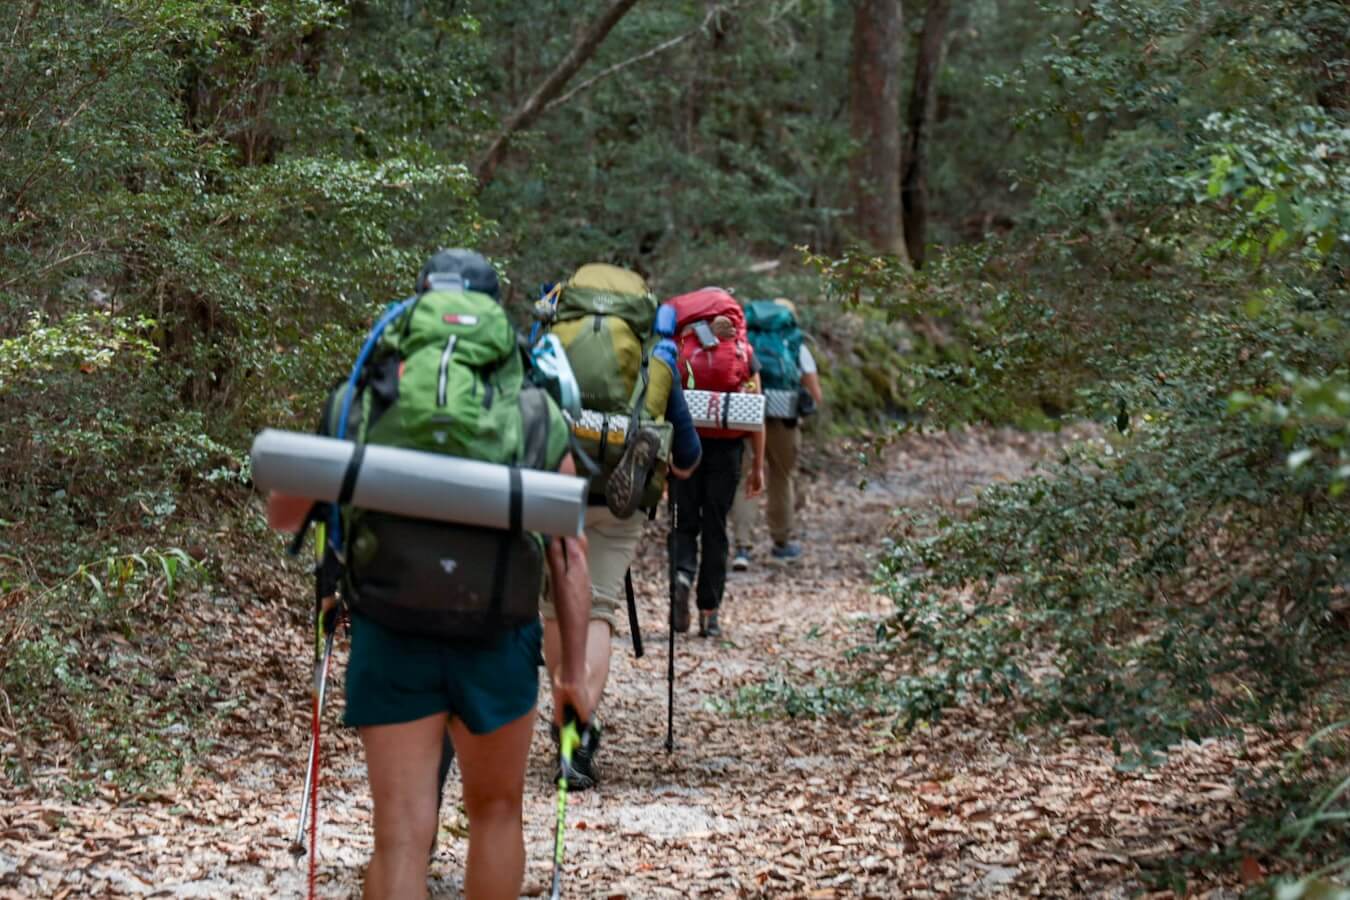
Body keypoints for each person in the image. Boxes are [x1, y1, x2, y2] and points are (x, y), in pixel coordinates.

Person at [269, 250, 595, 900]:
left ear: (411, 315)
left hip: (392, 631)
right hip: (499, 637)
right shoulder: (533, 412)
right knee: (497, 814)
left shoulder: (363, 398)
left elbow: (285, 515)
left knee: (399, 834)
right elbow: (569, 553)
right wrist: (571, 678)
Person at [537, 264, 702, 792]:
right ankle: (578, 735)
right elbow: (688, 460)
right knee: (599, 607)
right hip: (618, 502)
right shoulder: (657, 360)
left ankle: (567, 712)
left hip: (555, 491)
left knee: (556, 608)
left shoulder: (549, 345)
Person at [666, 288, 766, 638]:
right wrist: (758, 466)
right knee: (716, 528)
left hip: (686, 446)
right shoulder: (743, 352)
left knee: (684, 524)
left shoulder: (682, 347)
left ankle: (681, 574)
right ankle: (709, 611)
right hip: (727, 450)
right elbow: (756, 412)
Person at [732, 299, 823, 567]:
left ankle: (742, 548)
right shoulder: (796, 344)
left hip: (747, 412)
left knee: (745, 479)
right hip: (784, 417)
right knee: (781, 477)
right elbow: (815, 395)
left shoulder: (747, 340)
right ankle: (780, 544)